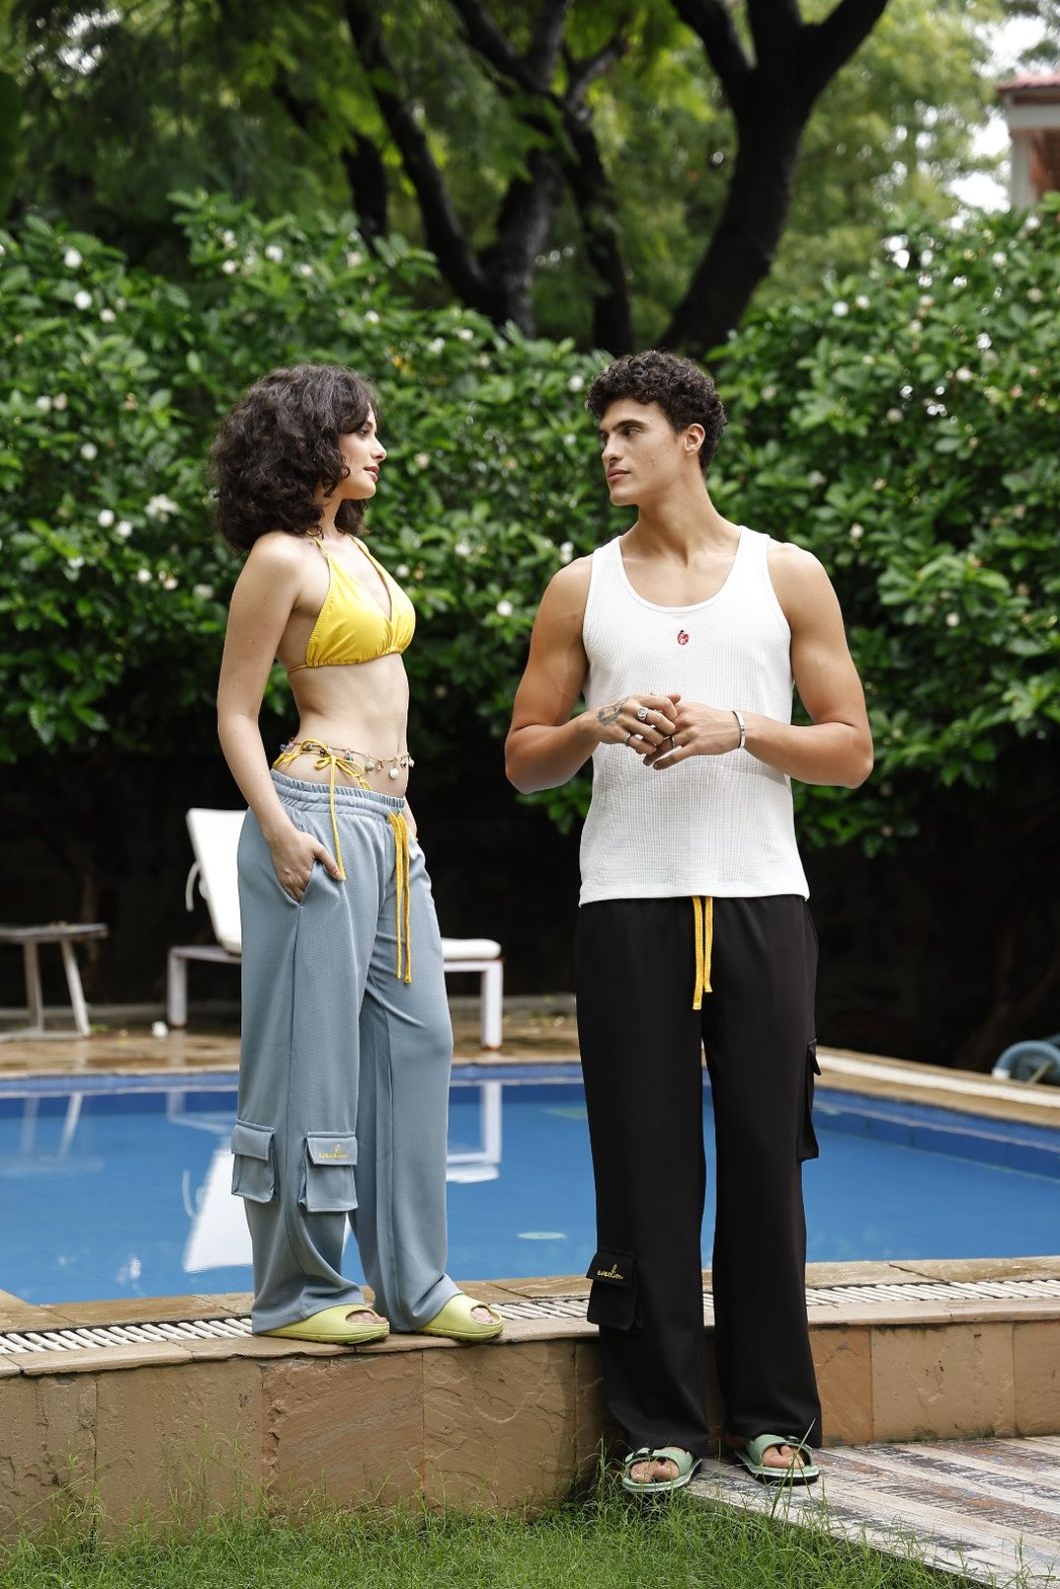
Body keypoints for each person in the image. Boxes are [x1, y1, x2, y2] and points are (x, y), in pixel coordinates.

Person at [505, 350, 872, 1493]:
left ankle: (772, 1416)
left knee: (767, 1163)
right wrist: (594, 727)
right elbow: (523, 761)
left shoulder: (787, 575)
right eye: (604, 435)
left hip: (760, 902)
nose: (609, 452)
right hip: (626, 908)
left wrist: (740, 729)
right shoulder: (580, 588)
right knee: (645, 1170)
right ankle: (657, 1426)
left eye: (628, 430)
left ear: (689, 437)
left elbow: (850, 752)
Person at [213, 362, 501, 1347]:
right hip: (314, 812)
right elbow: (235, 711)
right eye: (363, 432)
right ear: (313, 444)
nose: (379, 447)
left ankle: (416, 1285)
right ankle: (298, 1292)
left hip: (391, 823)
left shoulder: (355, 552)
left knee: (418, 1046)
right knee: (311, 1063)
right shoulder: (280, 559)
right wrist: (278, 830)